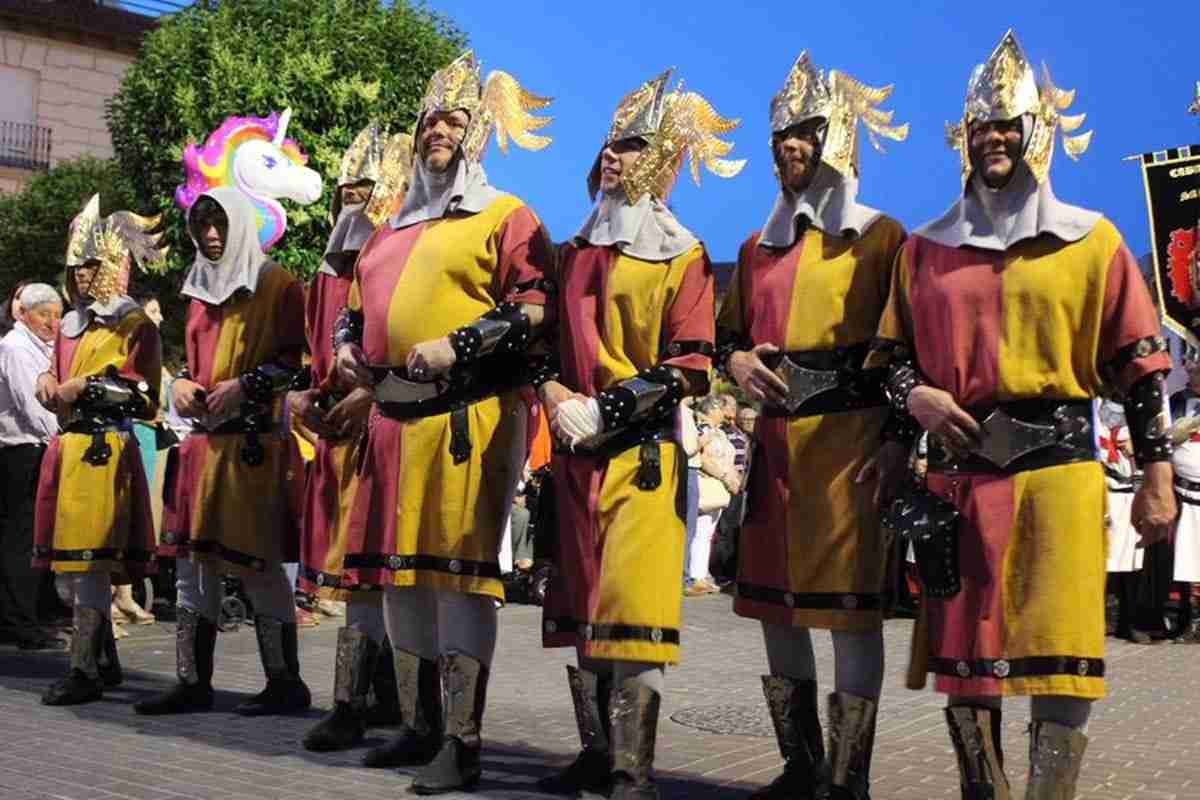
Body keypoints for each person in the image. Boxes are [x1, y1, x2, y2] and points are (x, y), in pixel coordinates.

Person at [869, 30, 1175, 798]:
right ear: (964, 140)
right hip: (959, 485)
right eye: (982, 127)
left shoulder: (1092, 241)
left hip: (1058, 478)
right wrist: (914, 396)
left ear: (1037, 135)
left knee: (1062, 661)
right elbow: (886, 360)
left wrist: (1157, 474)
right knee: (967, 667)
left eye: (1008, 125)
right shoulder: (925, 248)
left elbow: (1141, 366)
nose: (994, 138)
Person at [333, 51, 554, 793]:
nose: (440, 131)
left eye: (456, 120)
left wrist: (455, 344)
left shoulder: (505, 215)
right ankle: (418, 725)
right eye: (431, 119)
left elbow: (533, 310)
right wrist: (345, 354)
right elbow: (354, 315)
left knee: (457, 580)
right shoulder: (390, 228)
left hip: (465, 418)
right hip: (391, 420)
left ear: (477, 134)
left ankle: (462, 742)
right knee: (400, 581)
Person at [537, 68, 739, 799]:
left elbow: (690, 365)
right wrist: (554, 390)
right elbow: (545, 347)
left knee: (633, 611)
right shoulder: (574, 250)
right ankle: (595, 754)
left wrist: (608, 407)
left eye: (631, 145)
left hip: (641, 454)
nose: (613, 155)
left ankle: (632, 770)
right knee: (586, 607)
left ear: (658, 161)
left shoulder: (682, 255)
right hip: (573, 452)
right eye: (610, 143)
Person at [717, 50, 909, 799]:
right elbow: (728, 341)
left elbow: (904, 347)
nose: (790, 146)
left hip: (848, 446)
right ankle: (801, 766)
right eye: (781, 136)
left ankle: (849, 779)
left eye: (805, 132)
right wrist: (735, 365)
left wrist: (897, 441)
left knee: (851, 616)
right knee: (775, 612)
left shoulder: (881, 238)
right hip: (774, 448)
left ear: (837, 141)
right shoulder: (755, 251)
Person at [134, 187, 310, 718]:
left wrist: (249, 385)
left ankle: (285, 684)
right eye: (202, 226)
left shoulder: (278, 284)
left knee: (257, 568)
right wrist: (182, 385)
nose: (211, 236)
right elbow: (196, 365)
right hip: (203, 445)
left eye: (220, 225)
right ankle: (193, 682)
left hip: (253, 446)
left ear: (240, 225)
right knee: (192, 566)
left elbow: (299, 360)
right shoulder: (196, 293)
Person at [298, 124, 412, 752]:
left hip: (387, 428)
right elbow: (317, 351)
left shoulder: (396, 255)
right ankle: (351, 701)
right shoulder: (328, 273)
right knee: (353, 575)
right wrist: (309, 397)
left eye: (363, 193)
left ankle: (392, 701)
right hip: (338, 438)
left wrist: (372, 393)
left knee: (382, 575)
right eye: (344, 193)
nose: (351, 205)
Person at [32, 196, 164, 705]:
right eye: (75, 266)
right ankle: (103, 660)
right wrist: (49, 376)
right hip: (68, 449)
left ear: (112, 264)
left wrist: (82, 388)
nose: (82, 276)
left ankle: (85, 668)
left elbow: (146, 396)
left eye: (91, 264)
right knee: (72, 570)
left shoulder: (135, 326)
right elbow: (60, 374)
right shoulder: (69, 323)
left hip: (105, 453)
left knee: (87, 568)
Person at [0, 283, 64, 651]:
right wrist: (64, 436)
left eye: (56, 315)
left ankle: (31, 615)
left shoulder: (42, 347)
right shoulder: (16, 347)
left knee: (34, 537)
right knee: (21, 539)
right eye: (43, 314)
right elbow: (34, 406)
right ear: (23, 313)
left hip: (36, 448)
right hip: (20, 453)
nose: (52, 322)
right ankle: (19, 623)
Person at [1097, 399, 1151, 643]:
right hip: (1104, 494)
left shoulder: (1138, 411)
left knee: (1132, 561)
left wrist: (1137, 447)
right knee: (1103, 558)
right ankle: (1103, 619)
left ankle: (1128, 622)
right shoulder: (1094, 414)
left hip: (1130, 494)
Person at [687, 395, 737, 596]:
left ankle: (702, 573)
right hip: (708, 482)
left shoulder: (720, 432)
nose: (721, 411)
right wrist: (725, 476)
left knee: (708, 534)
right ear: (710, 409)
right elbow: (704, 457)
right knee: (699, 531)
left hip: (720, 486)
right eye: (718, 407)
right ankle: (695, 575)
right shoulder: (704, 428)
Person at [1170, 360, 1200, 643]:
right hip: (1182, 493)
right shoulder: (1176, 402)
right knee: (1186, 558)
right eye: (1194, 370)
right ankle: (1187, 620)